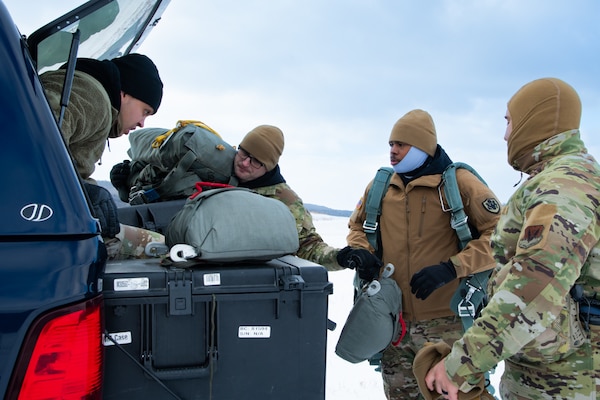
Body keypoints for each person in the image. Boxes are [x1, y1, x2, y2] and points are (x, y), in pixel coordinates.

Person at [424, 78, 600, 399]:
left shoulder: (564, 187)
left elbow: (533, 288)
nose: (505, 134)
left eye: (508, 121)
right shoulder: (557, 178)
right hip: (548, 377)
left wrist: (460, 366)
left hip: (567, 383)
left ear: (536, 118)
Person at [336, 109, 501, 399]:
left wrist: (453, 268)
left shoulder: (459, 183)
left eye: (401, 144)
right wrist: (361, 253)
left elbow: (499, 236)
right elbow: (357, 226)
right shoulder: (381, 186)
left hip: (447, 327)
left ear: (424, 146)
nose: (393, 151)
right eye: (391, 144)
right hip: (394, 326)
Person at [40, 53, 165, 258]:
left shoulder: (95, 97)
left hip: (58, 216)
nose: (142, 123)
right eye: (145, 111)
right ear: (125, 94)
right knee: (158, 248)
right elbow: (37, 133)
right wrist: (85, 192)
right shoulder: (91, 95)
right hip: (53, 220)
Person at [233, 124, 343, 271]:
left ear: (269, 166)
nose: (245, 163)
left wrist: (341, 257)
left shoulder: (286, 201)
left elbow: (308, 247)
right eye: (244, 153)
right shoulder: (214, 171)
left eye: (256, 161)